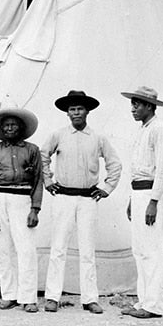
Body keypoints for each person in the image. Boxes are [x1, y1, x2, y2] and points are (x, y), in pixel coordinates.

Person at [41, 90, 122, 314]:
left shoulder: (98, 138)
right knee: (58, 248)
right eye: (72, 109)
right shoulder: (58, 135)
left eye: (80, 108)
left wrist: (106, 188)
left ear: (87, 111)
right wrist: (48, 180)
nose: (76, 112)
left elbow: (115, 163)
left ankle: (89, 298)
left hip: (88, 198)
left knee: (87, 250)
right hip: (64, 197)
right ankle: (52, 297)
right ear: (67, 113)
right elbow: (42, 156)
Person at [121, 86, 163, 319]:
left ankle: (154, 305)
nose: (133, 108)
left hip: (152, 194)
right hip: (139, 193)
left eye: (137, 104)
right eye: (132, 104)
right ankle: (143, 300)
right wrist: (134, 200)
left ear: (150, 107)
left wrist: (153, 201)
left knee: (151, 250)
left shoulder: (160, 130)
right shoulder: (143, 130)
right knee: (139, 250)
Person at [0, 108, 43, 313]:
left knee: (26, 249)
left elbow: (37, 181)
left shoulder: (32, 150)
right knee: (3, 249)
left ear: (20, 128)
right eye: (6, 125)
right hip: (0, 200)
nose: (10, 128)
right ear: (2, 129)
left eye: (13, 125)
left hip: (22, 200)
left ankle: (28, 297)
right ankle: (10, 295)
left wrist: (35, 208)